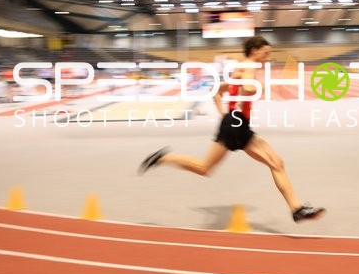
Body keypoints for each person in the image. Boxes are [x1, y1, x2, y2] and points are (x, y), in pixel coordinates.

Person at [139, 36, 325, 223]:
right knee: (205, 168)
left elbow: (217, 90)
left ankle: (296, 208)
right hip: (236, 124)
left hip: (238, 124)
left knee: (277, 162)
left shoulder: (241, 68)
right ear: (255, 50)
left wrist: (226, 115)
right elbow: (248, 87)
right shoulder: (248, 67)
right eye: (266, 53)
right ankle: (163, 158)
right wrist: (256, 88)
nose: (268, 58)